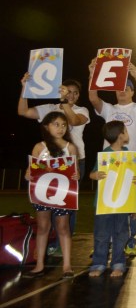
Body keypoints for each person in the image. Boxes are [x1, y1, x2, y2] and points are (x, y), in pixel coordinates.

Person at [18, 74, 90, 255]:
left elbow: (73, 121)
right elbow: (23, 111)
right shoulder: (49, 108)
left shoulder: (82, 110)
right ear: (61, 90)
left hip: (73, 160)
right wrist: (25, 88)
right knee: (46, 202)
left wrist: (64, 101)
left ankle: (62, 243)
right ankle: (49, 240)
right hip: (48, 161)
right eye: (68, 92)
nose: (72, 95)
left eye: (75, 93)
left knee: (68, 205)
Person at [88, 59, 136, 256]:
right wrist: (93, 75)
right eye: (119, 88)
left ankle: (130, 241)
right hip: (109, 162)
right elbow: (93, 99)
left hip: (132, 162)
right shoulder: (110, 109)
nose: (122, 91)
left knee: (131, 202)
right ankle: (104, 242)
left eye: (127, 88)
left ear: (133, 91)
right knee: (107, 201)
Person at [23, 112, 79, 278]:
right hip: (42, 193)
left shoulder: (70, 148)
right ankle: (39, 265)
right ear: (47, 126)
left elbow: (74, 172)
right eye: (56, 124)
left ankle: (67, 266)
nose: (60, 128)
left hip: (62, 194)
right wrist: (28, 174)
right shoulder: (39, 147)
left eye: (63, 125)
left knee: (63, 227)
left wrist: (76, 175)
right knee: (43, 227)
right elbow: (30, 169)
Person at [88, 121, 136, 277]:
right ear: (120, 135)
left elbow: (135, 181)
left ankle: (118, 263)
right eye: (125, 130)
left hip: (123, 204)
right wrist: (95, 175)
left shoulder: (130, 157)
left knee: (121, 233)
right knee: (101, 234)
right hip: (104, 205)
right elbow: (92, 174)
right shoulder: (104, 155)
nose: (127, 133)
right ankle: (98, 263)